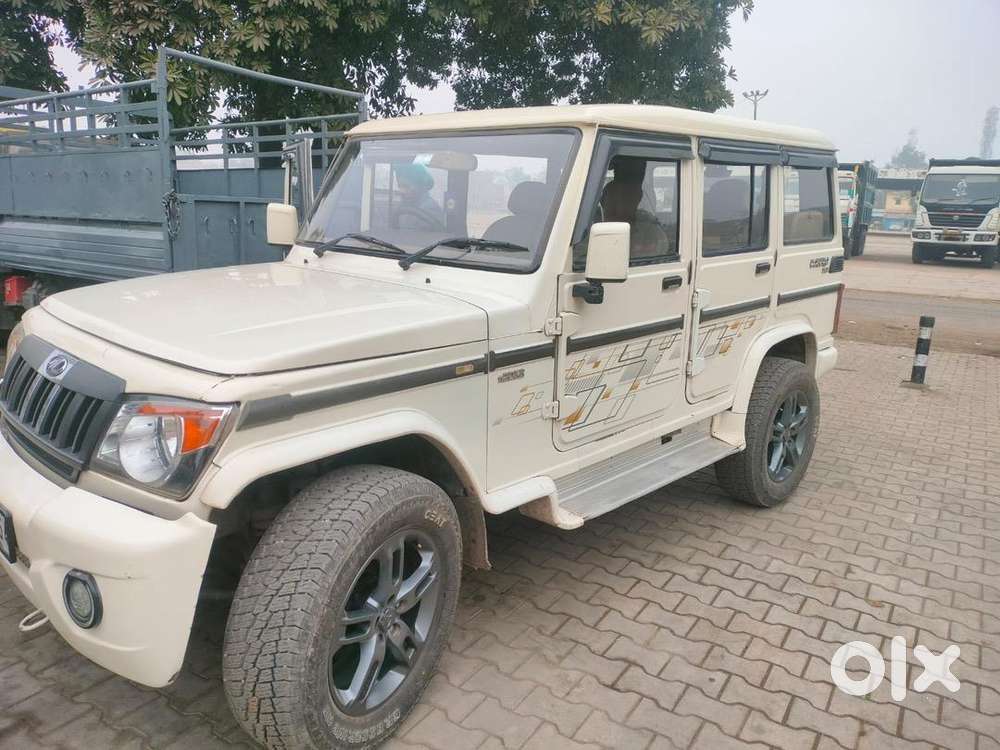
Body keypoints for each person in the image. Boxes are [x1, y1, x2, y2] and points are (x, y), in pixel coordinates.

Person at [394, 162, 444, 229]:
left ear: (420, 186)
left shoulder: (430, 209)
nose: (401, 191)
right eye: (400, 186)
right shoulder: (404, 204)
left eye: (406, 186)